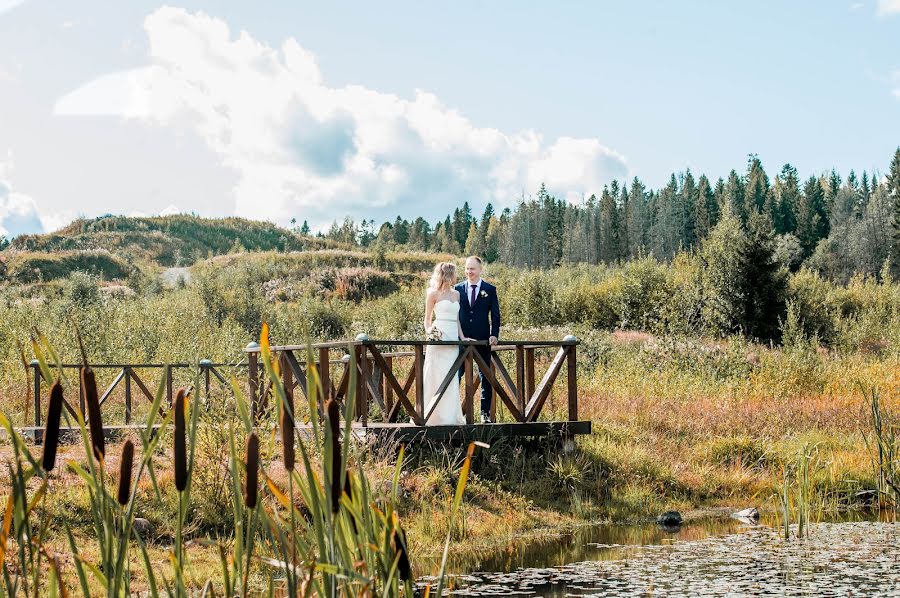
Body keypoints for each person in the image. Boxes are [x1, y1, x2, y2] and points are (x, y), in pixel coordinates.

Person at [421, 262, 472, 425]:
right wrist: (431, 333)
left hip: (452, 338)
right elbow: (427, 320)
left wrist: (462, 337)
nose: (452, 277)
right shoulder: (432, 294)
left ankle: (450, 416)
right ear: (443, 275)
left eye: (453, 274)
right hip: (438, 336)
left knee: (451, 377)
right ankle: (432, 416)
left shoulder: (456, 294)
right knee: (436, 374)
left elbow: (457, 320)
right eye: (449, 274)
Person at [455, 256, 501, 423]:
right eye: (467, 269)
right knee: (456, 376)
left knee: (486, 377)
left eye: (472, 269)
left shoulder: (489, 289)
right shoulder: (457, 289)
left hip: (483, 341)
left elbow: (495, 315)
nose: (469, 272)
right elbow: (455, 315)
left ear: (480, 269)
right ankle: (456, 413)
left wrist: (494, 334)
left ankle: (485, 414)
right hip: (462, 341)